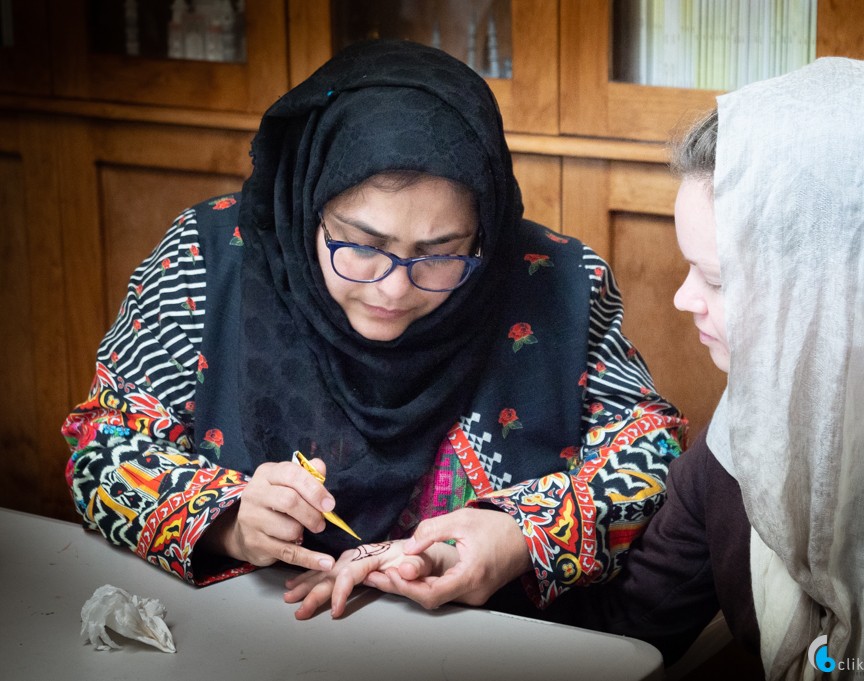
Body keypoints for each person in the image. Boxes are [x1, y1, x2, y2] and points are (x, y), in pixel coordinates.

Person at [62, 40, 685, 621]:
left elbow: (655, 451)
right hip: (251, 634)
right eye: (361, 245)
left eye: (440, 252)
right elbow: (101, 444)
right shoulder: (209, 259)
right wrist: (227, 520)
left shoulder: (558, 282)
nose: (393, 289)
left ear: (485, 232)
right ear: (310, 205)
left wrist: (524, 535)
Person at [586, 57, 864, 680]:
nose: (685, 299)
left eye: (716, 278)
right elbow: (630, 625)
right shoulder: (744, 435)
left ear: (863, 287)